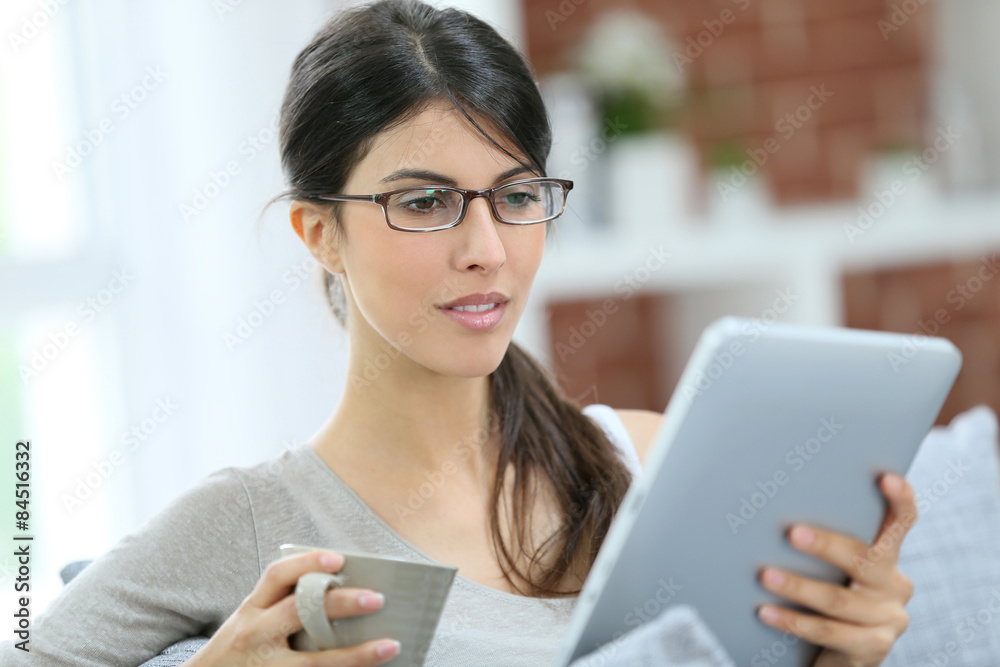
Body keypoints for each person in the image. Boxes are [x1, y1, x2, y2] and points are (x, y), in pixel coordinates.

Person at [1, 1, 916, 665]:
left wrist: (844, 652)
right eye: (424, 202)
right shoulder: (251, 521)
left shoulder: (652, 461)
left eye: (517, 196)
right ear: (320, 233)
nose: (487, 250)